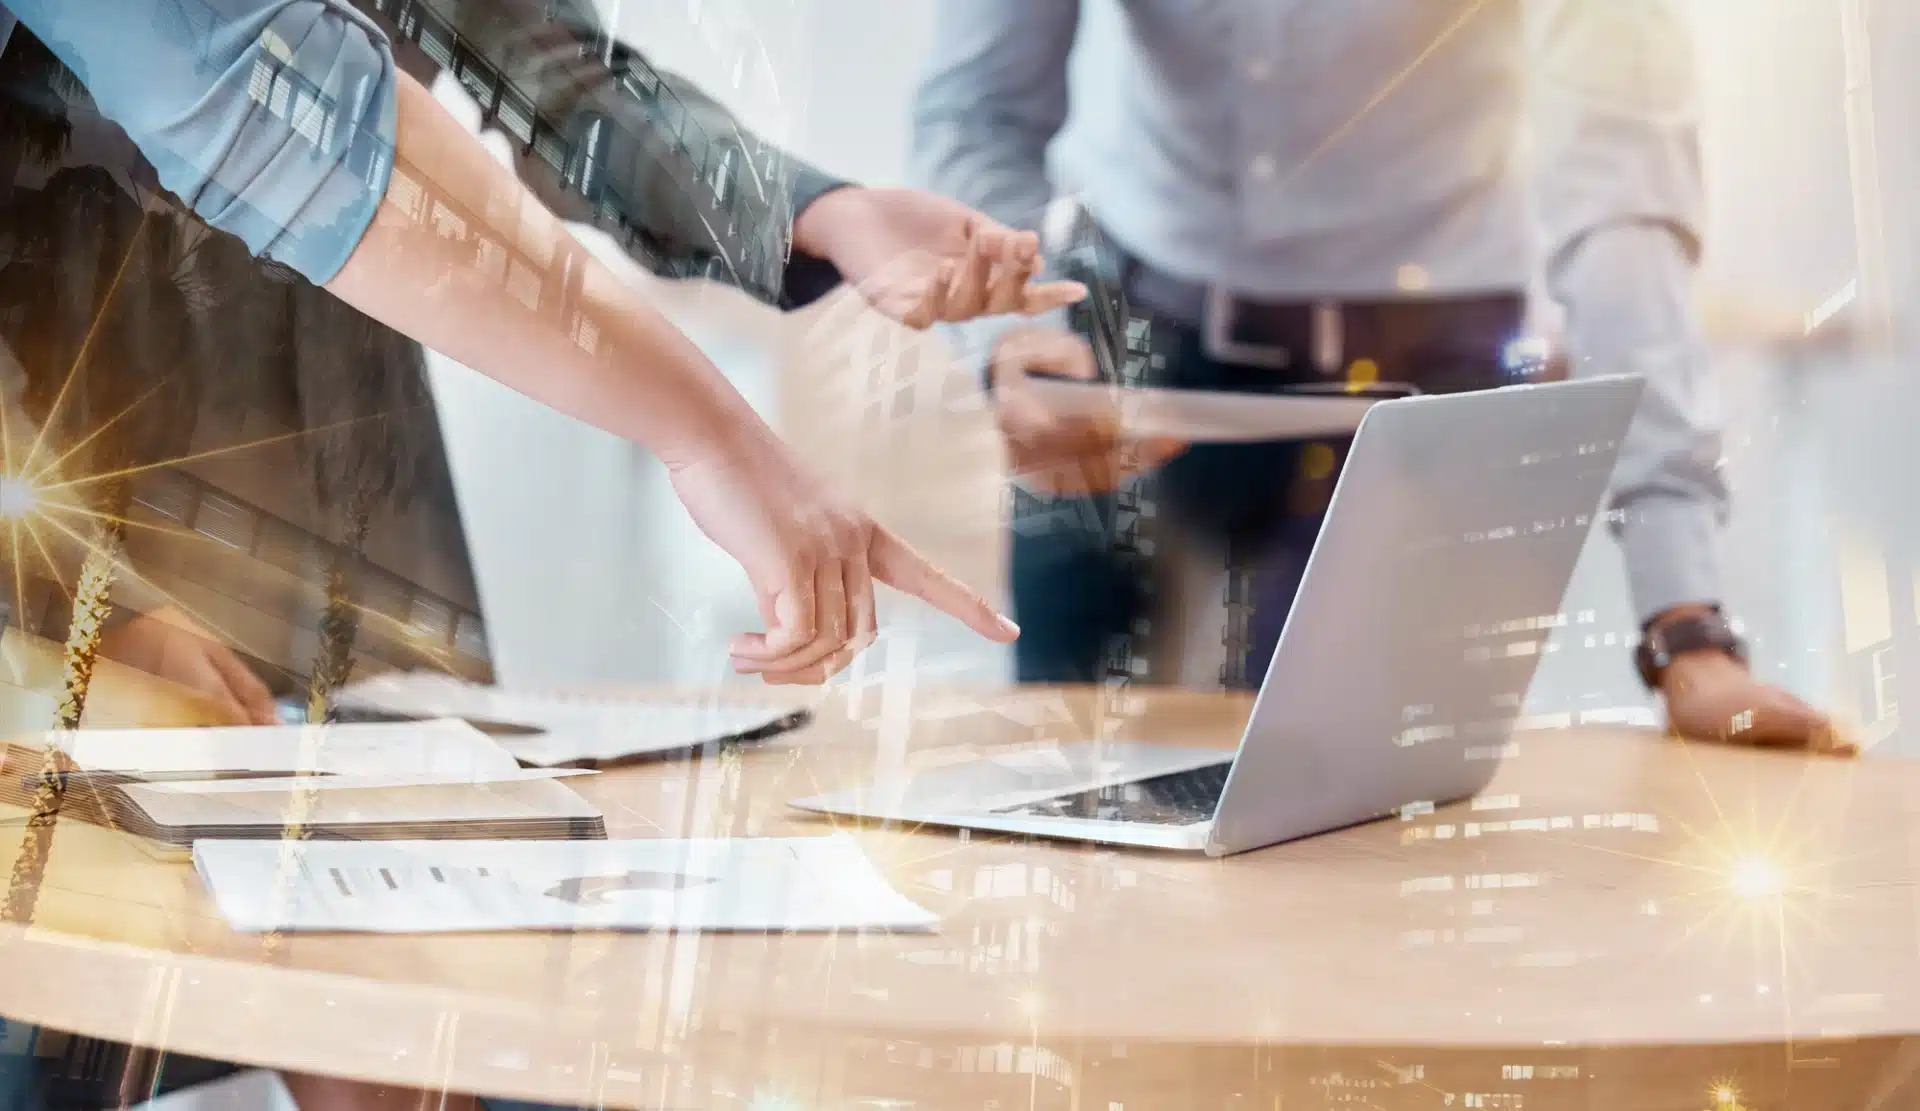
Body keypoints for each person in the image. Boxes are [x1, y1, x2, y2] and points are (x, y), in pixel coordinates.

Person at [0, 0, 1089, 694]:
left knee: (431, 1005)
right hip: (62, 517)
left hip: (346, 497)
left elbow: (537, 60)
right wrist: (76, 597)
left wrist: (810, 210)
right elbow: (271, 98)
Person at [912, 0, 1847, 753]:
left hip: (1430, 376)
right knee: (1062, 794)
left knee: (1340, 823)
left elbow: (1622, 204)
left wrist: (1683, 621)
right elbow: (978, 112)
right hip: (1135, 338)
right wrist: (1010, 330)